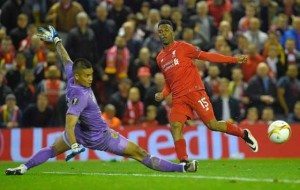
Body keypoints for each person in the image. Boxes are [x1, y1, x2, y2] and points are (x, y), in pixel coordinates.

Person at [5, 25, 197, 175]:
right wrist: (73, 145)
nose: (91, 78)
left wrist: (56, 40)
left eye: (91, 75)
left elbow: (65, 59)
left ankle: (22, 168)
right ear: (79, 77)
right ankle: (182, 168)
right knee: (141, 154)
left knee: (51, 149)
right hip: (101, 137)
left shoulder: (72, 74)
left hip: (82, 133)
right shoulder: (80, 95)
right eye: (87, 76)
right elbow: (69, 125)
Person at [154, 20, 258, 164]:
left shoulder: (184, 47)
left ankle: (243, 133)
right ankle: (184, 162)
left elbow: (207, 56)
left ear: (172, 32)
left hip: (195, 92)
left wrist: (234, 59)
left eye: (165, 30)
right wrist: (163, 94)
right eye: (160, 31)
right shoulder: (159, 58)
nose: (163, 33)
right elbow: (168, 81)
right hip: (178, 97)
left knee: (213, 125)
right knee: (175, 127)